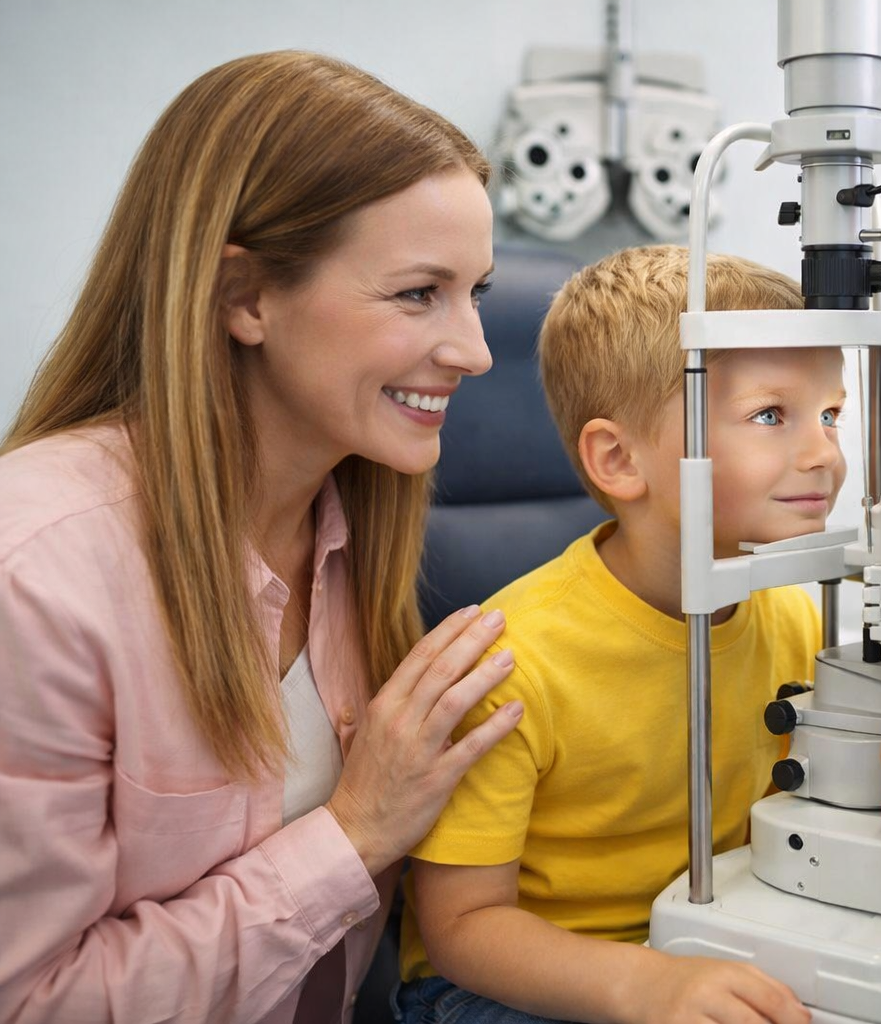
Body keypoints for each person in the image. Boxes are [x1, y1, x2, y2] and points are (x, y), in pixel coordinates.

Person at [0, 52, 529, 1024]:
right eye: (419, 293)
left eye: (477, 293)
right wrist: (354, 831)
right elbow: (34, 1001)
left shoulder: (351, 524)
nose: (477, 351)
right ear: (245, 297)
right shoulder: (34, 573)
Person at [396, 245, 842, 1024]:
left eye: (830, 414)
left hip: (699, 945)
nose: (825, 453)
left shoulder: (793, 617)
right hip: (503, 986)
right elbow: (461, 930)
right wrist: (642, 985)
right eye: (772, 416)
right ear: (618, 459)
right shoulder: (511, 665)